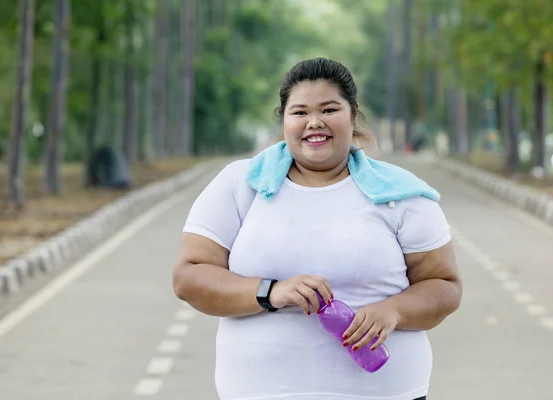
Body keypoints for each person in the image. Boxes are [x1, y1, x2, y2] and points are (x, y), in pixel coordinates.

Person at [173, 57, 462, 400]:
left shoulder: (400, 193)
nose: (314, 123)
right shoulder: (241, 184)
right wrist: (270, 292)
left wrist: (393, 311)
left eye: (329, 110)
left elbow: (444, 285)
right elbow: (189, 277)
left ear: (353, 114)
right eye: (299, 113)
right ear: (283, 119)